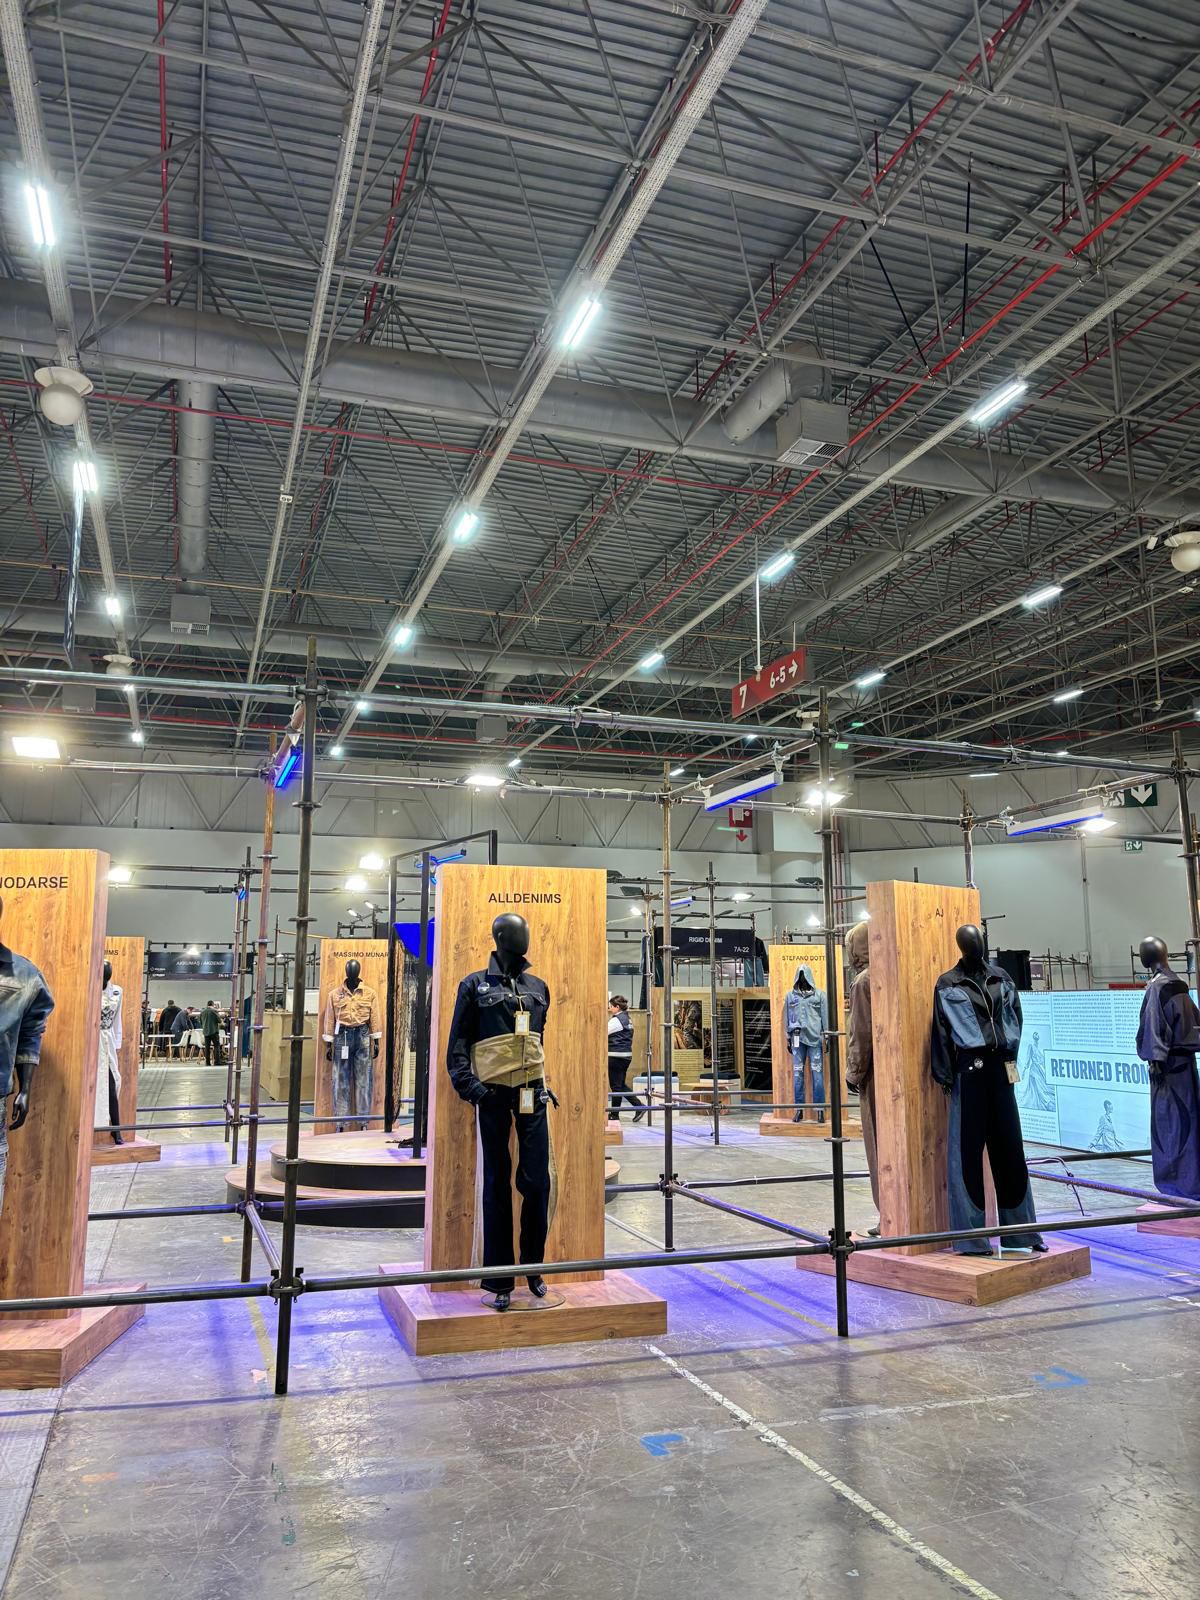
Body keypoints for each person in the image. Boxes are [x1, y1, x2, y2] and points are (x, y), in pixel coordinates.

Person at [607, 996, 645, 1123]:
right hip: (625, 1056)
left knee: (616, 1087)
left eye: (611, 1006)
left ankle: (615, 1115)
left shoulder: (616, 1021)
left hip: (616, 1056)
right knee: (620, 1085)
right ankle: (638, 1107)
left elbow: (602, 1033)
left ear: (617, 1007)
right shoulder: (628, 1019)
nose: (610, 1009)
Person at [199, 998, 224, 1065]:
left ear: (207, 1005)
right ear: (213, 1005)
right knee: (216, 1046)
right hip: (214, 1031)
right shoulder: (214, 1011)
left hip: (206, 1032)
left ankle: (207, 1062)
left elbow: (200, 1022)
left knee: (207, 1047)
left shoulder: (202, 1012)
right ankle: (217, 1062)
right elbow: (219, 1020)